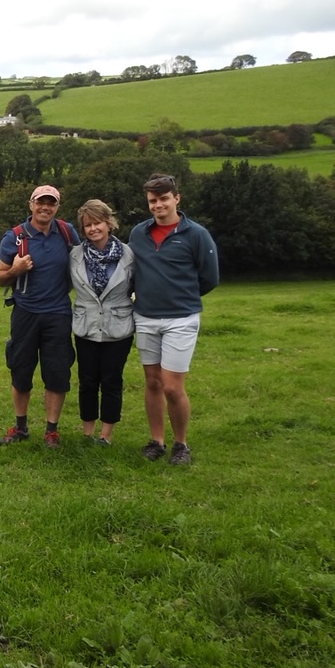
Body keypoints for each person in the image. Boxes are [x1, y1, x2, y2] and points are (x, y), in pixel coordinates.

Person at [128, 173, 219, 466]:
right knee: (152, 382)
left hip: (181, 319)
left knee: (172, 386)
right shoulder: (138, 234)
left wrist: (179, 297)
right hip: (145, 317)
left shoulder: (197, 234)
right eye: (153, 200)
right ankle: (157, 441)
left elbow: (209, 278)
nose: (158, 205)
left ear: (177, 198)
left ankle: (181, 444)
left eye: (164, 199)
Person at [0, 184, 80, 448]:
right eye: (40, 202)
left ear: (57, 207)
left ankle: (51, 431)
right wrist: (15, 270)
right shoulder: (15, 237)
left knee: (56, 373)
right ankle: (21, 427)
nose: (45, 207)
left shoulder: (67, 233)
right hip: (25, 313)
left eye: (51, 203)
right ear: (31, 204)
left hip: (58, 313)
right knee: (21, 371)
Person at [69, 199, 135, 445]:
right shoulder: (75, 256)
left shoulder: (129, 254)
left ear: (109, 223)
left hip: (118, 329)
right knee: (87, 381)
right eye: (87, 225)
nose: (92, 229)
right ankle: (87, 433)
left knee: (111, 381)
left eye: (97, 223)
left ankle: (105, 435)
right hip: (85, 328)